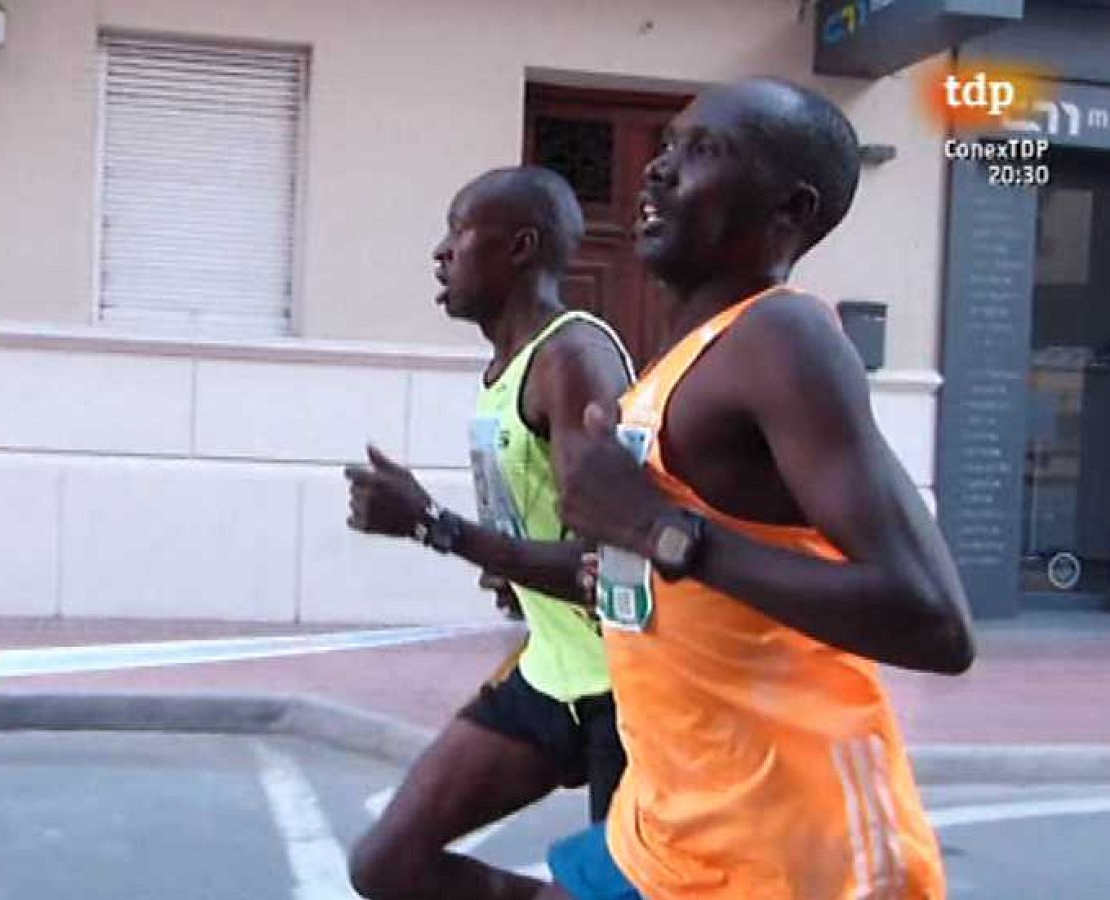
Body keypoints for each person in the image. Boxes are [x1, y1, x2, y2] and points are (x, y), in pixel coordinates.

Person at [542, 78, 975, 900]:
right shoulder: (680, 363)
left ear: (789, 208)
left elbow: (934, 621)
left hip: (791, 847)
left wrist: (661, 531)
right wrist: (629, 569)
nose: (658, 170)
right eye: (668, 144)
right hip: (675, 820)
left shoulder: (784, 335)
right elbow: (703, 558)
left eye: (704, 152)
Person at [343, 166, 635, 900]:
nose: (441, 252)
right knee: (388, 862)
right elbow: (546, 524)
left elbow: (612, 562)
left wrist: (436, 528)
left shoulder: (572, 358)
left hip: (631, 694)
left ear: (520, 248)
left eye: (460, 230)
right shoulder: (505, 369)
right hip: (552, 673)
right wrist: (511, 568)